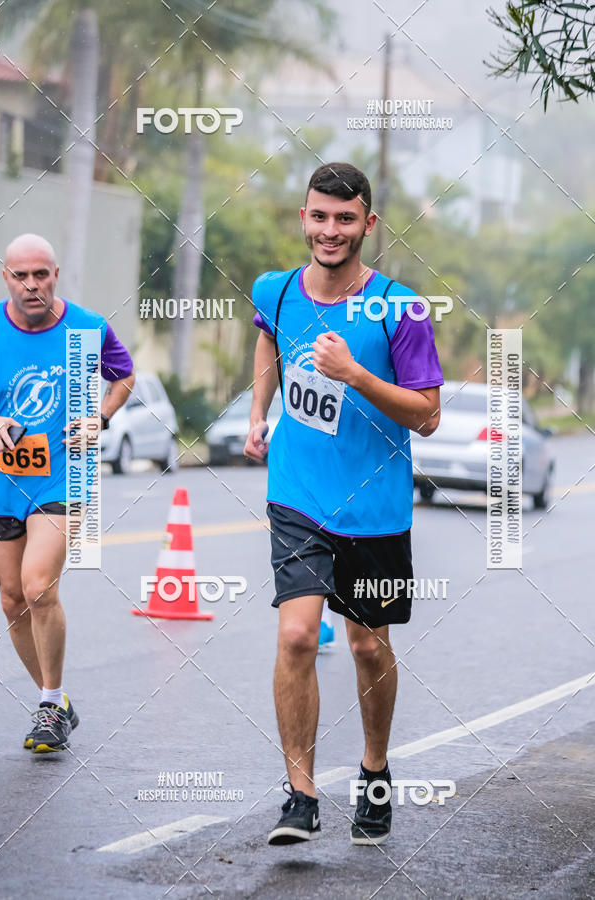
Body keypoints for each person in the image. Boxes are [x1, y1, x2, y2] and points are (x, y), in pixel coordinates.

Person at [244, 163, 443, 846]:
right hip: (297, 492)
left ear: (368, 224)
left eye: (345, 218)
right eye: (319, 217)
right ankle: (300, 795)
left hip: (376, 507)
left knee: (366, 645)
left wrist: (355, 374)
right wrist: (256, 414)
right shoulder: (273, 290)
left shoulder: (401, 307)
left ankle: (375, 769)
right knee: (297, 634)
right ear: (303, 218)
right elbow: (267, 336)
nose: (331, 231)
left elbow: (428, 416)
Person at [0, 233, 134, 753]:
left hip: (62, 477)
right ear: (6, 276)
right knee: (11, 600)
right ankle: (56, 702)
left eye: (41, 275)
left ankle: (50, 705)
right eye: (20, 275)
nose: (32, 285)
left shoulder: (87, 328)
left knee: (36, 587)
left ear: (56, 274)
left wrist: (100, 416)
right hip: (2, 481)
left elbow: (124, 375)